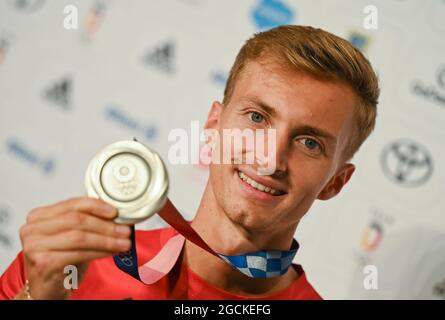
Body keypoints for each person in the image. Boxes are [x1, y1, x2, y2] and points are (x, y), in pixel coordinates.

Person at [0, 25, 379, 300]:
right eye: (257, 118)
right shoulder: (69, 265)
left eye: (309, 142)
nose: (269, 159)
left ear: (335, 182)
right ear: (214, 126)